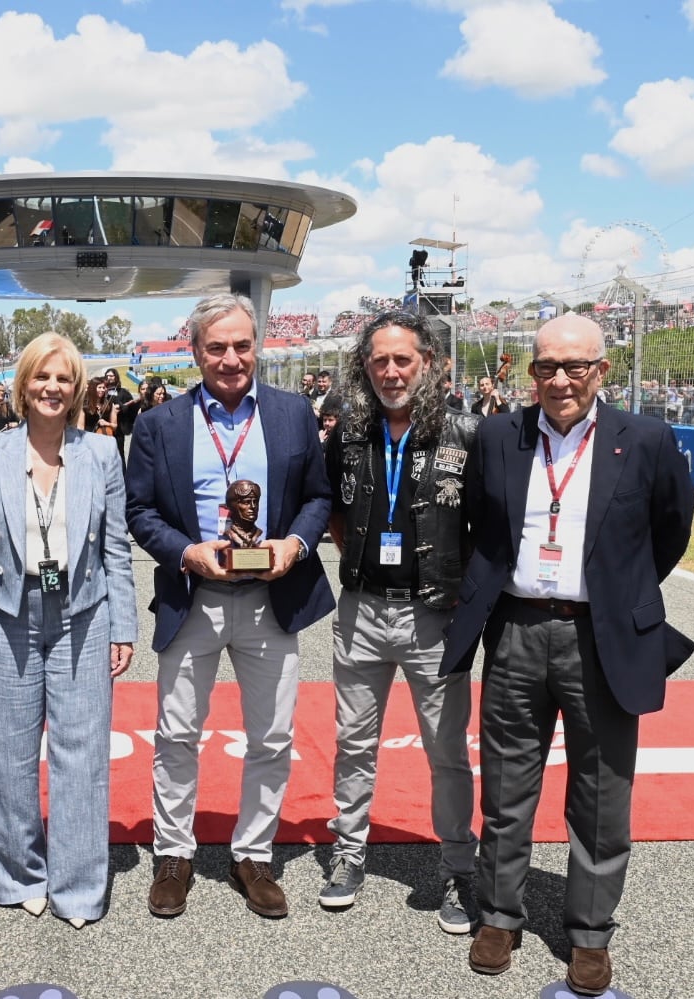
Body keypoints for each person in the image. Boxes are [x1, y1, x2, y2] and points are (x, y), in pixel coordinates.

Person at [442, 314, 694, 997]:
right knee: (506, 784)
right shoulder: (499, 434)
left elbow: (671, 529)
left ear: (602, 371)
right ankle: (498, 913)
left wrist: (619, 591)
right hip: (518, 629)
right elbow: (478, 524)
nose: (559, 379)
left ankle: (589, 932)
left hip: (601, 633)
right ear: (531, 371)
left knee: (602, 793)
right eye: (546, 366)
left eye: (574, 366)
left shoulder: (645, 439)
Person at [126, 292, 333, 921]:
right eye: (216, 347)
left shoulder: (294, 414)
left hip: (273, 599)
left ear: (257, 347)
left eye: (242, 345)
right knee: (177, 733)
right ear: (195, 352)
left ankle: (254, 854)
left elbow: (319, 498)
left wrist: (295, 545)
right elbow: (139, 512)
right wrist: (186, 552)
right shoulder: (160, 424)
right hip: (195, 599)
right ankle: (174, 854)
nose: (231, 357)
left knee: (271, 735)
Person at [0, 333, 137, 929]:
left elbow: (117, 548)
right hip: (6, 615)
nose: (52, 388)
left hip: (84, 616)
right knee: (7, 754)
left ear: (78, 387)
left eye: (63, 378)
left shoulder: (102, 455)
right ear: (22, 384)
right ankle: (17, 876)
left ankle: (79, 886)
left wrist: (124, 627)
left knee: (82, 753)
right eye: (41, 377)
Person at [320, 312, 481, 932]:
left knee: (445, 752)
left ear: (430, 364)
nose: (390, 372)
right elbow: (333, 510)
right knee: (353, 743)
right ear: (365, 367)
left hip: (433, 615)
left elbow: (488, 527)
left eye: (403, 360)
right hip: (361, 609)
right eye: (379, 360)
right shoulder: (350, 435)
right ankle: (349, 853)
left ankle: (458, 870)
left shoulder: (466, 433)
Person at [99, 367, 135, 459]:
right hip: (102, 429)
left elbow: (131, 408)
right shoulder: (102, 391)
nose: (109, 377)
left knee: (119, 455)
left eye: (111, 375)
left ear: (116, 377)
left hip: (118, 430)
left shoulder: (123, 392)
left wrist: (122, 407)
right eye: (107, 376)